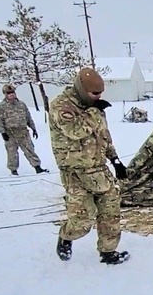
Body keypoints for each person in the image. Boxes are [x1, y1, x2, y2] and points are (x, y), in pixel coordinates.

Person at [48, 67, 130, 265]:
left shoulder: (95, 108)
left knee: (110, 213)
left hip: (100, 170)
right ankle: (66, 236)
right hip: (75, 173)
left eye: (100, 94)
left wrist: (115, 160)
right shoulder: (62, 106)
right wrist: (95, 111)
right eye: (94, 94)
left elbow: (104, 136)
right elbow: (75, 130)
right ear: (82, 89)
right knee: (83, 221)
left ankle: (108, 252)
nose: (98, 97)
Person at [0, 84, 48, 175]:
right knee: (12, 153)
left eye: (12, 92)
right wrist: (3, 132)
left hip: (23, 132)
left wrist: (33, 128)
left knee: (30, 150)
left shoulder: (21, 104)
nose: (11, 94)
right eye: (9, 93)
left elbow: (28, 117)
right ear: (5, 94)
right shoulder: (1, 107)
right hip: (10, 134)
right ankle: (13, 170)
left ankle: (37, 167)